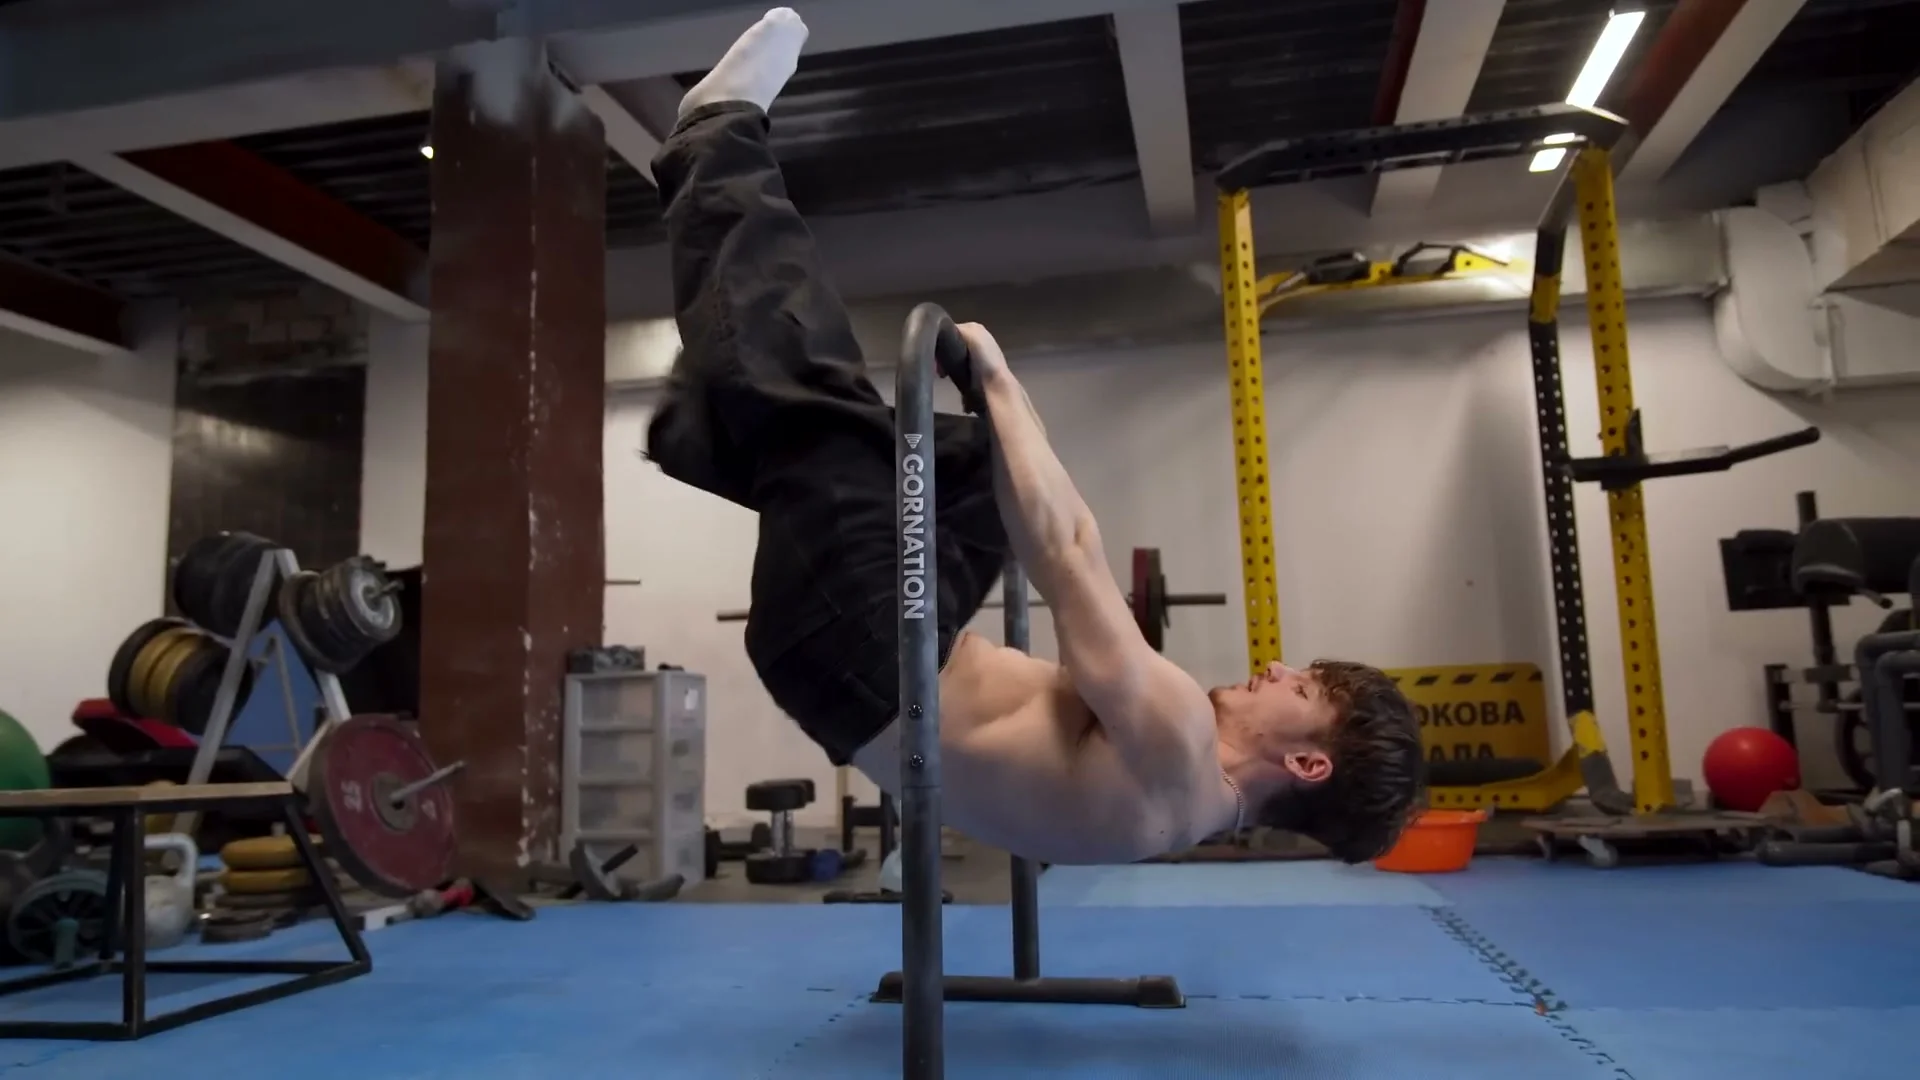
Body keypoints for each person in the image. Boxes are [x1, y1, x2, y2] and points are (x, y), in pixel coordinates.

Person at [645, 8, 1425, 865]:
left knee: (820, 397)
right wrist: (1003, 420)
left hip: (861, 649)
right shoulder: (1183, 806)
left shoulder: (1177, 744)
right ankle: (710, 430)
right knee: (977, 473)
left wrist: (999, 378)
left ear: (1307, 762)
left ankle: (713, 138)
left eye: (1303, 688)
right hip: (875, 667)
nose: (1277, 668)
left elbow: (1068, 550)